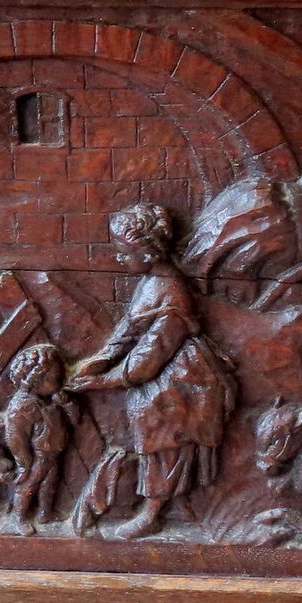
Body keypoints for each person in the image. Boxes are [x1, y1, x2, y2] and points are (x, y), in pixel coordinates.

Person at [70, 202, 236, 540]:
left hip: (185, 377)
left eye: (122, 253)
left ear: (146, 253)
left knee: (155, 417)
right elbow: (130, 330)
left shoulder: (173, 294)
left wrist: (104, 381)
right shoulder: (150, 281)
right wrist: (101, 359)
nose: (117, 260)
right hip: (159, 369)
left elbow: (150, 357)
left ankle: (153, 511)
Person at [1, 343, 78, 535]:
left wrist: (67, 404)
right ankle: (19, 518)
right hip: (38, 456)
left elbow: (76, 420)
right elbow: (16, 439)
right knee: (28, 487)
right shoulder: (22, 408)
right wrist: (24, 464)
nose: (60, 382)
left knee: (50, 484)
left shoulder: (52, 398)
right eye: (55, 378)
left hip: (54, 452)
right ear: (36, 380)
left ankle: (46, 513)